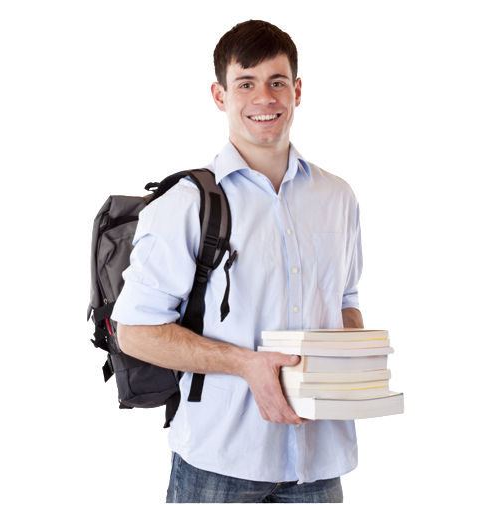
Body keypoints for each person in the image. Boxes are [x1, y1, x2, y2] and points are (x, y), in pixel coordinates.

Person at [112, 19, 363, 504]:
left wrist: (354, 356)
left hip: (321, 456)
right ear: (220, 96)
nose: (264, 98)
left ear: (297, 91)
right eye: (246, 83)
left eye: (277, 82)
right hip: (220, 459)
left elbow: (345, 300)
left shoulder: (339, 197)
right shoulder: (186, 204)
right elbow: (135, 332)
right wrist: (246, 365)